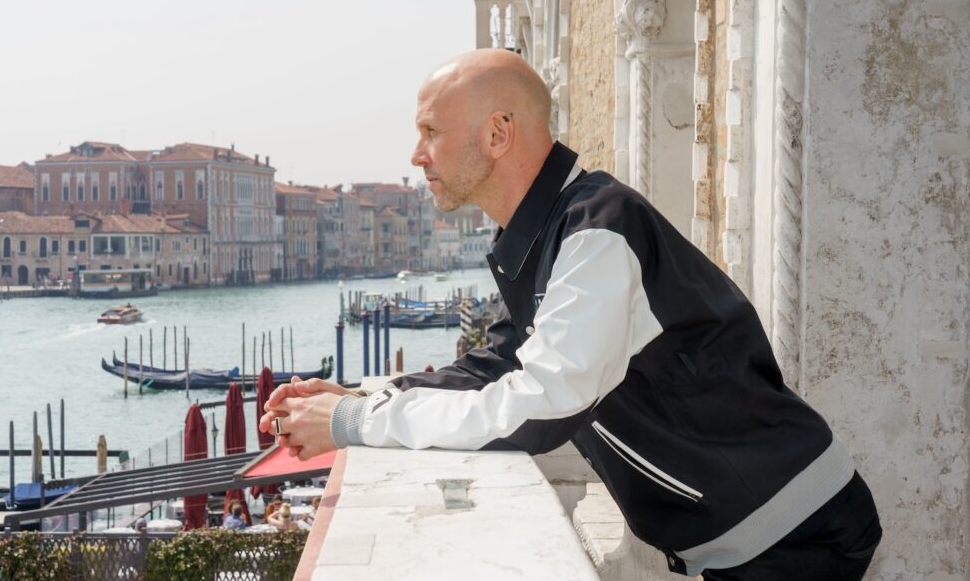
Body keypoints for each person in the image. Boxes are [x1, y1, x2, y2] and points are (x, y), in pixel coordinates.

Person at [260, 49, 882, 580]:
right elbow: (491, 367)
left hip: (794, 533)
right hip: (744, 535)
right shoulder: (547, 237)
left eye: (430, 132)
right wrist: (362, 391)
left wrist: (352, 422)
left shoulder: (598, 231)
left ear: (497, 134)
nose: (417, 154)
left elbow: (543, 403)